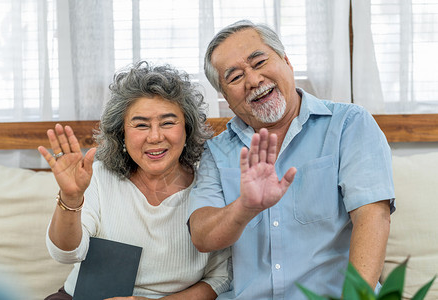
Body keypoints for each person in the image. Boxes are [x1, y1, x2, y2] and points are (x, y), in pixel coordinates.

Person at [188, 20, 395, 299]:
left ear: (286, 61)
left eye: (259, 62)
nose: (253, 80)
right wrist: (245, 207)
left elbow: (373, 216)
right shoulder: (216, 151)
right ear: (225, 96)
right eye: (235, 77)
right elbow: (202, 236)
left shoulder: (349, 123)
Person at [38, 61, 231, 299]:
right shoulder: (98, 176)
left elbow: (221, 278)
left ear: (187, 129)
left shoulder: (211, 182)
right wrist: (71, 197)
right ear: (122, 133)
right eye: (141, 125)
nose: (155, 136)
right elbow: (66, 254)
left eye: (168, 123)